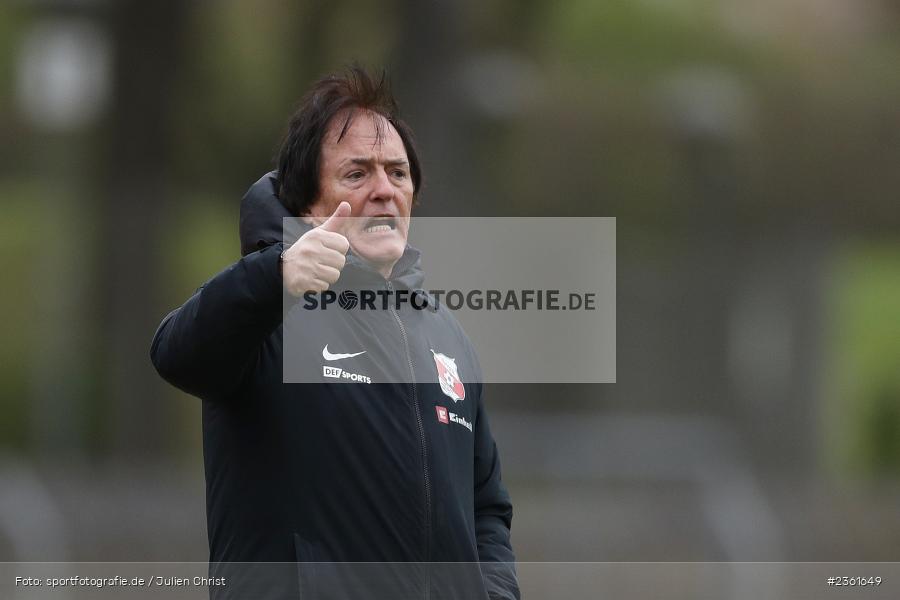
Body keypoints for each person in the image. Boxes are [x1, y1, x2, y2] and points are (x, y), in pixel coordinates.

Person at [150, 67, 518, 600]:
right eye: (356, 175)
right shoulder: (266, 311)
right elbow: (175, 354)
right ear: (307, 203)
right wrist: (274, 278)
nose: (384, 191)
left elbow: (486, 507)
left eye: (397, 173)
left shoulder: (447, 333)